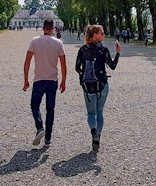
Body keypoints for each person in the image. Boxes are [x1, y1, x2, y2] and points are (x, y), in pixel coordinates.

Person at [75, 24, 121, 152]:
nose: (104, 35)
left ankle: (93, 131)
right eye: (102, 33)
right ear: (95, 35)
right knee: (99, 112)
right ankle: (98, 137)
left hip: (87, 86)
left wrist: (84, 76)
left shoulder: (83, 50)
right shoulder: (103, 50)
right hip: (102, 85)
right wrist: (117, 53)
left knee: (91, 113)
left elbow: (77, 68)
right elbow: (112, 66)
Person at [23, 19, 67, 147]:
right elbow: (63, 64)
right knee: (50, 109)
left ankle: (39, 127)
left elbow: (27, 61)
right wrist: (63, 81)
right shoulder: (58, 43)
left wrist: (26, 79)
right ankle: (48, 138)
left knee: (35, 106)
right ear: (53, 29)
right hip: (52, 80)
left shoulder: (35, 41)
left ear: (43, 28)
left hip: (39, 79)